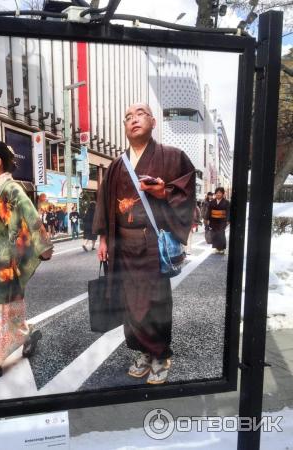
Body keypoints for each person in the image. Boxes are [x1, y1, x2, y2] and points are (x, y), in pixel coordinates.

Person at [93, 103, 196, 385]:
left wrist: (165, 191)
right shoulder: (116, 165)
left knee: (155, 301)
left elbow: (186, 191)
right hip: (123, 246)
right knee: (130, 301)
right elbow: (104, 204)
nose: (133, 120)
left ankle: (160, 354)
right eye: (127, 117)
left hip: (152, 244)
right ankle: (142, 351)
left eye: (139, 115)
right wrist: (103, 238)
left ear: (152, 122)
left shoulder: (173, 157)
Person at [0, 141, 53, 387]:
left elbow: (30, 215)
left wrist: (42, 245)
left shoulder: (10, 187)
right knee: (9, 310)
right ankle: (25, 335)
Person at [205, 187, 230, 255]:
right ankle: (216, 248)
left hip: (222, 220)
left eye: (220, 193)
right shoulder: (212, 202)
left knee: (221, 234)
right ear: (215, 194)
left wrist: (228, 220)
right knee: (215, 234)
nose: (218, 194)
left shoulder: (226, 202)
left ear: (223, 194)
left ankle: (222, 248)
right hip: (213, 220)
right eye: (217, 193)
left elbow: (228, 212)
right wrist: (207, 219)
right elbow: (209, 211)